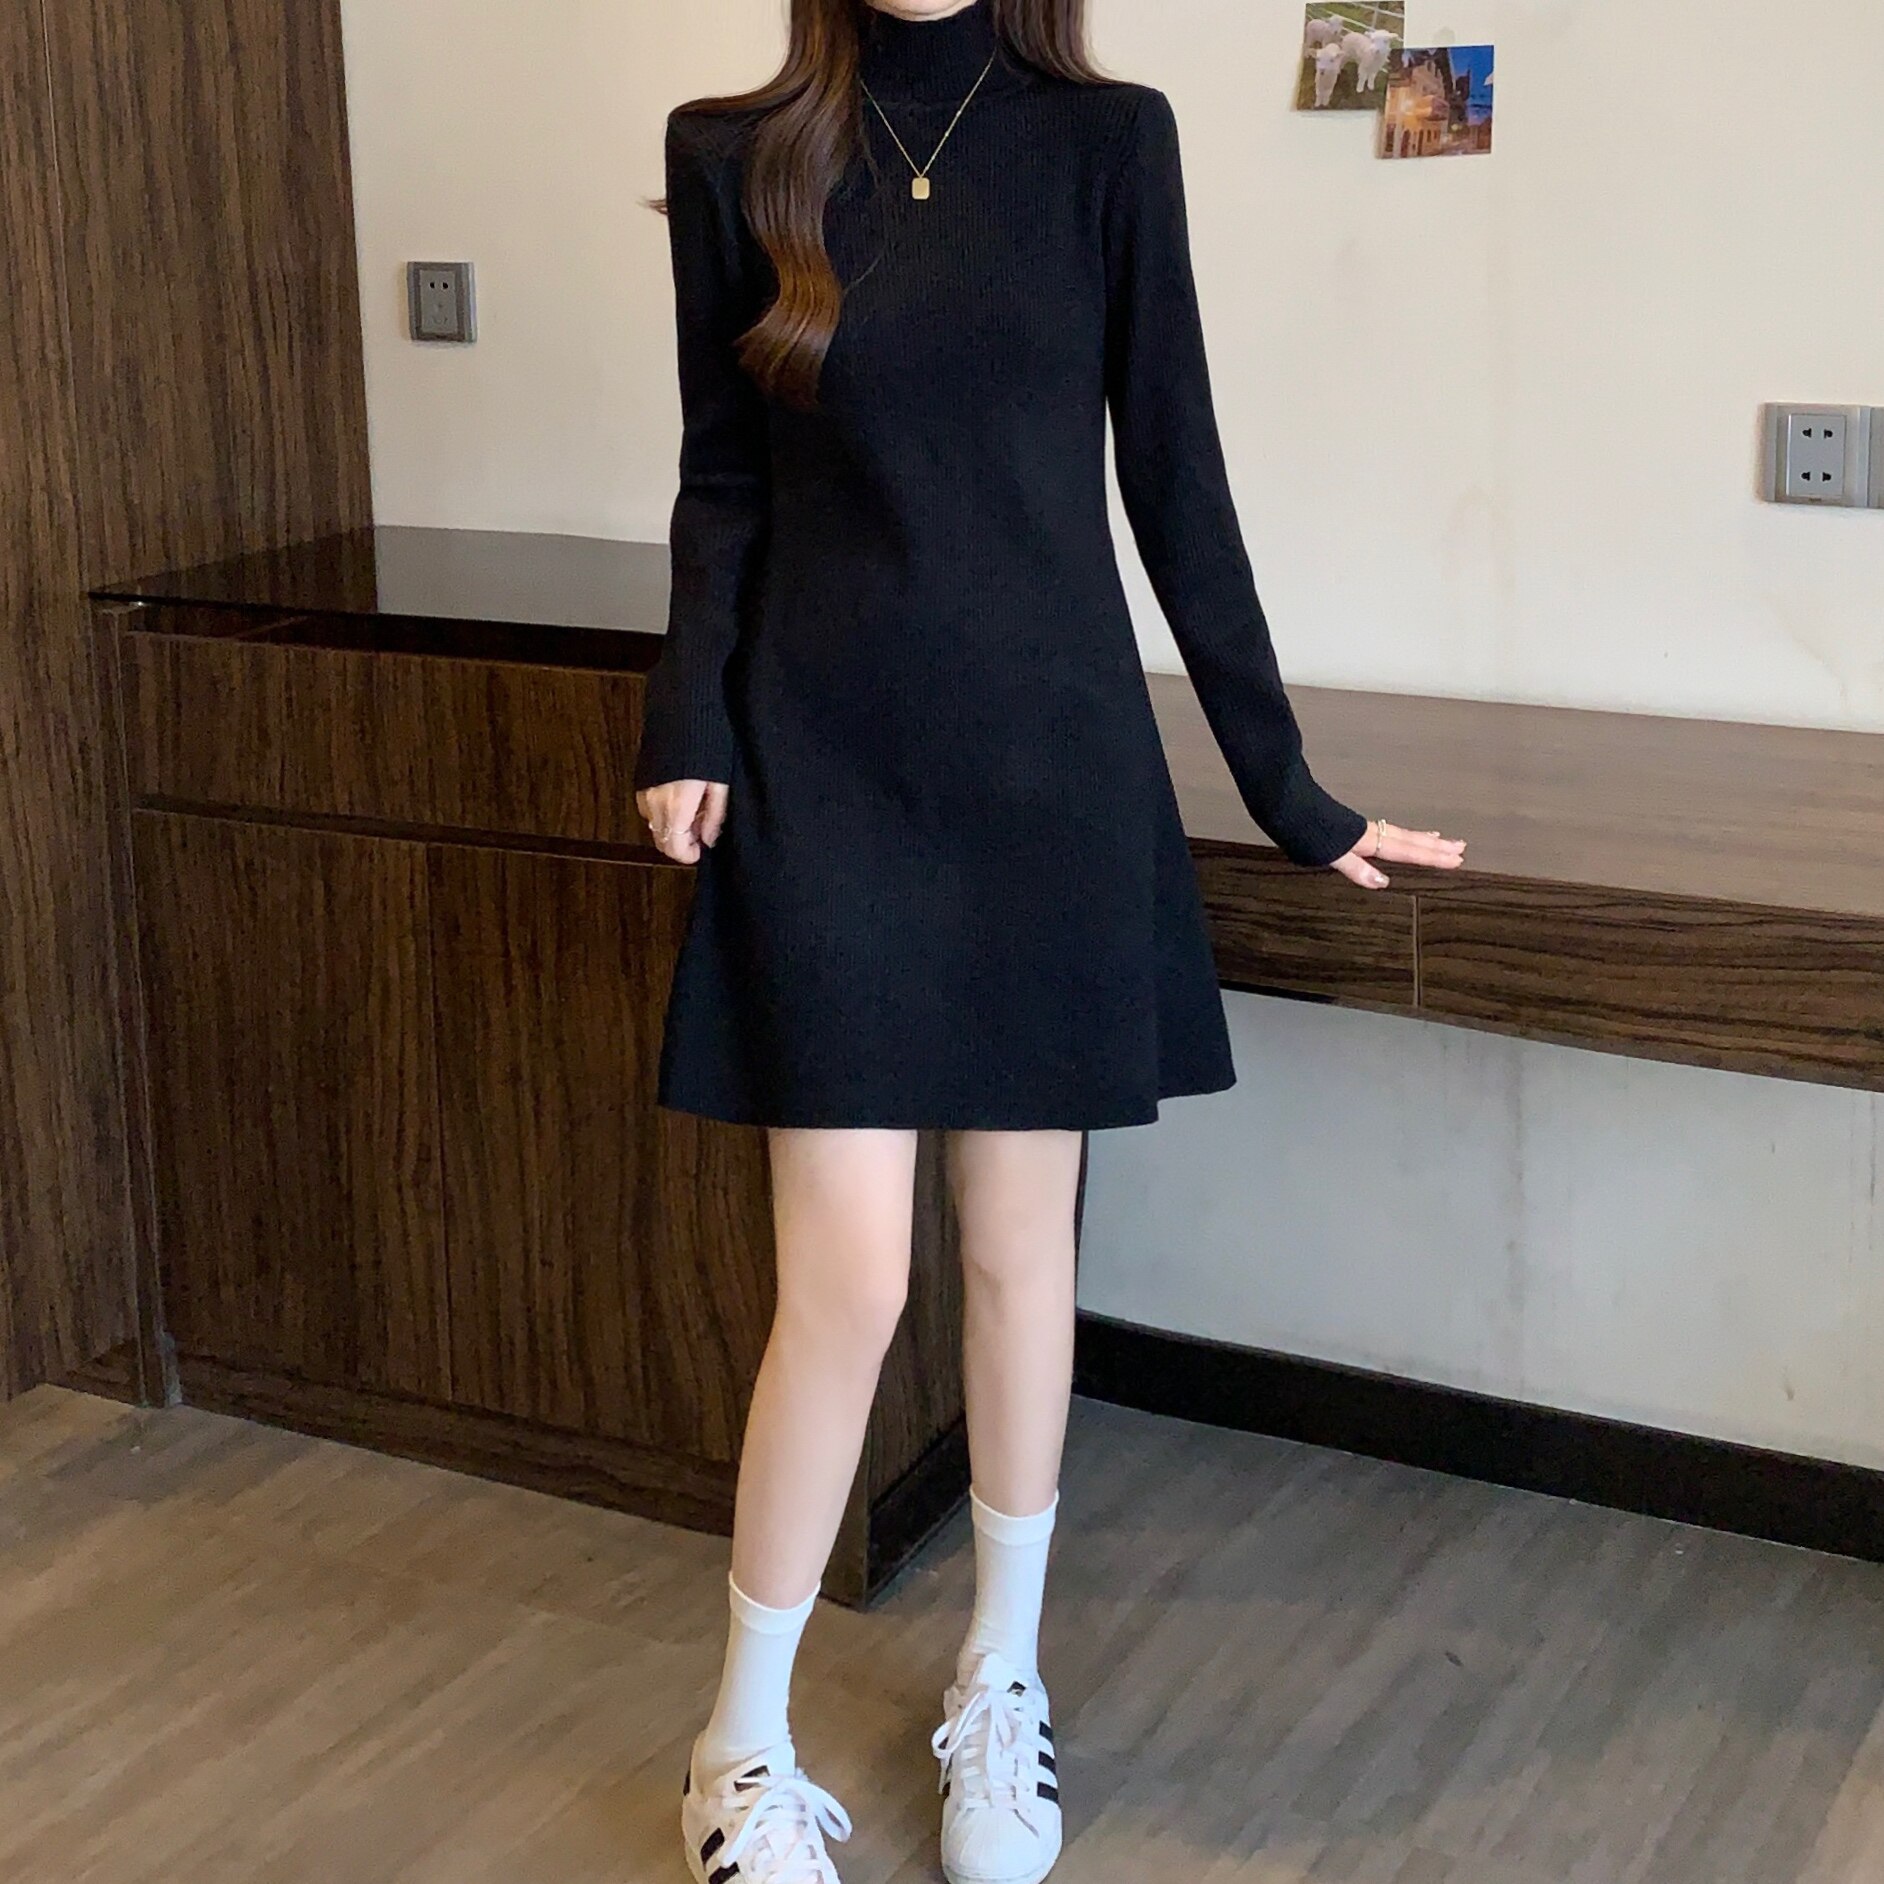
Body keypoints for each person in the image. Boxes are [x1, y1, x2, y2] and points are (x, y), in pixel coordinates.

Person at [633, 3, 1467, 1879]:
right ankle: (737, 1746)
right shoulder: (733, 148)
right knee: (850, 1287)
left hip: (1047, 772)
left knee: (1022, 1260)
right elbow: (722, 477)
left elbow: (1175, 473)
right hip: (823, 766)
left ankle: (998, 1680)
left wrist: (1288, 789)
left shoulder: (1108, 143)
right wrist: (687, 722)